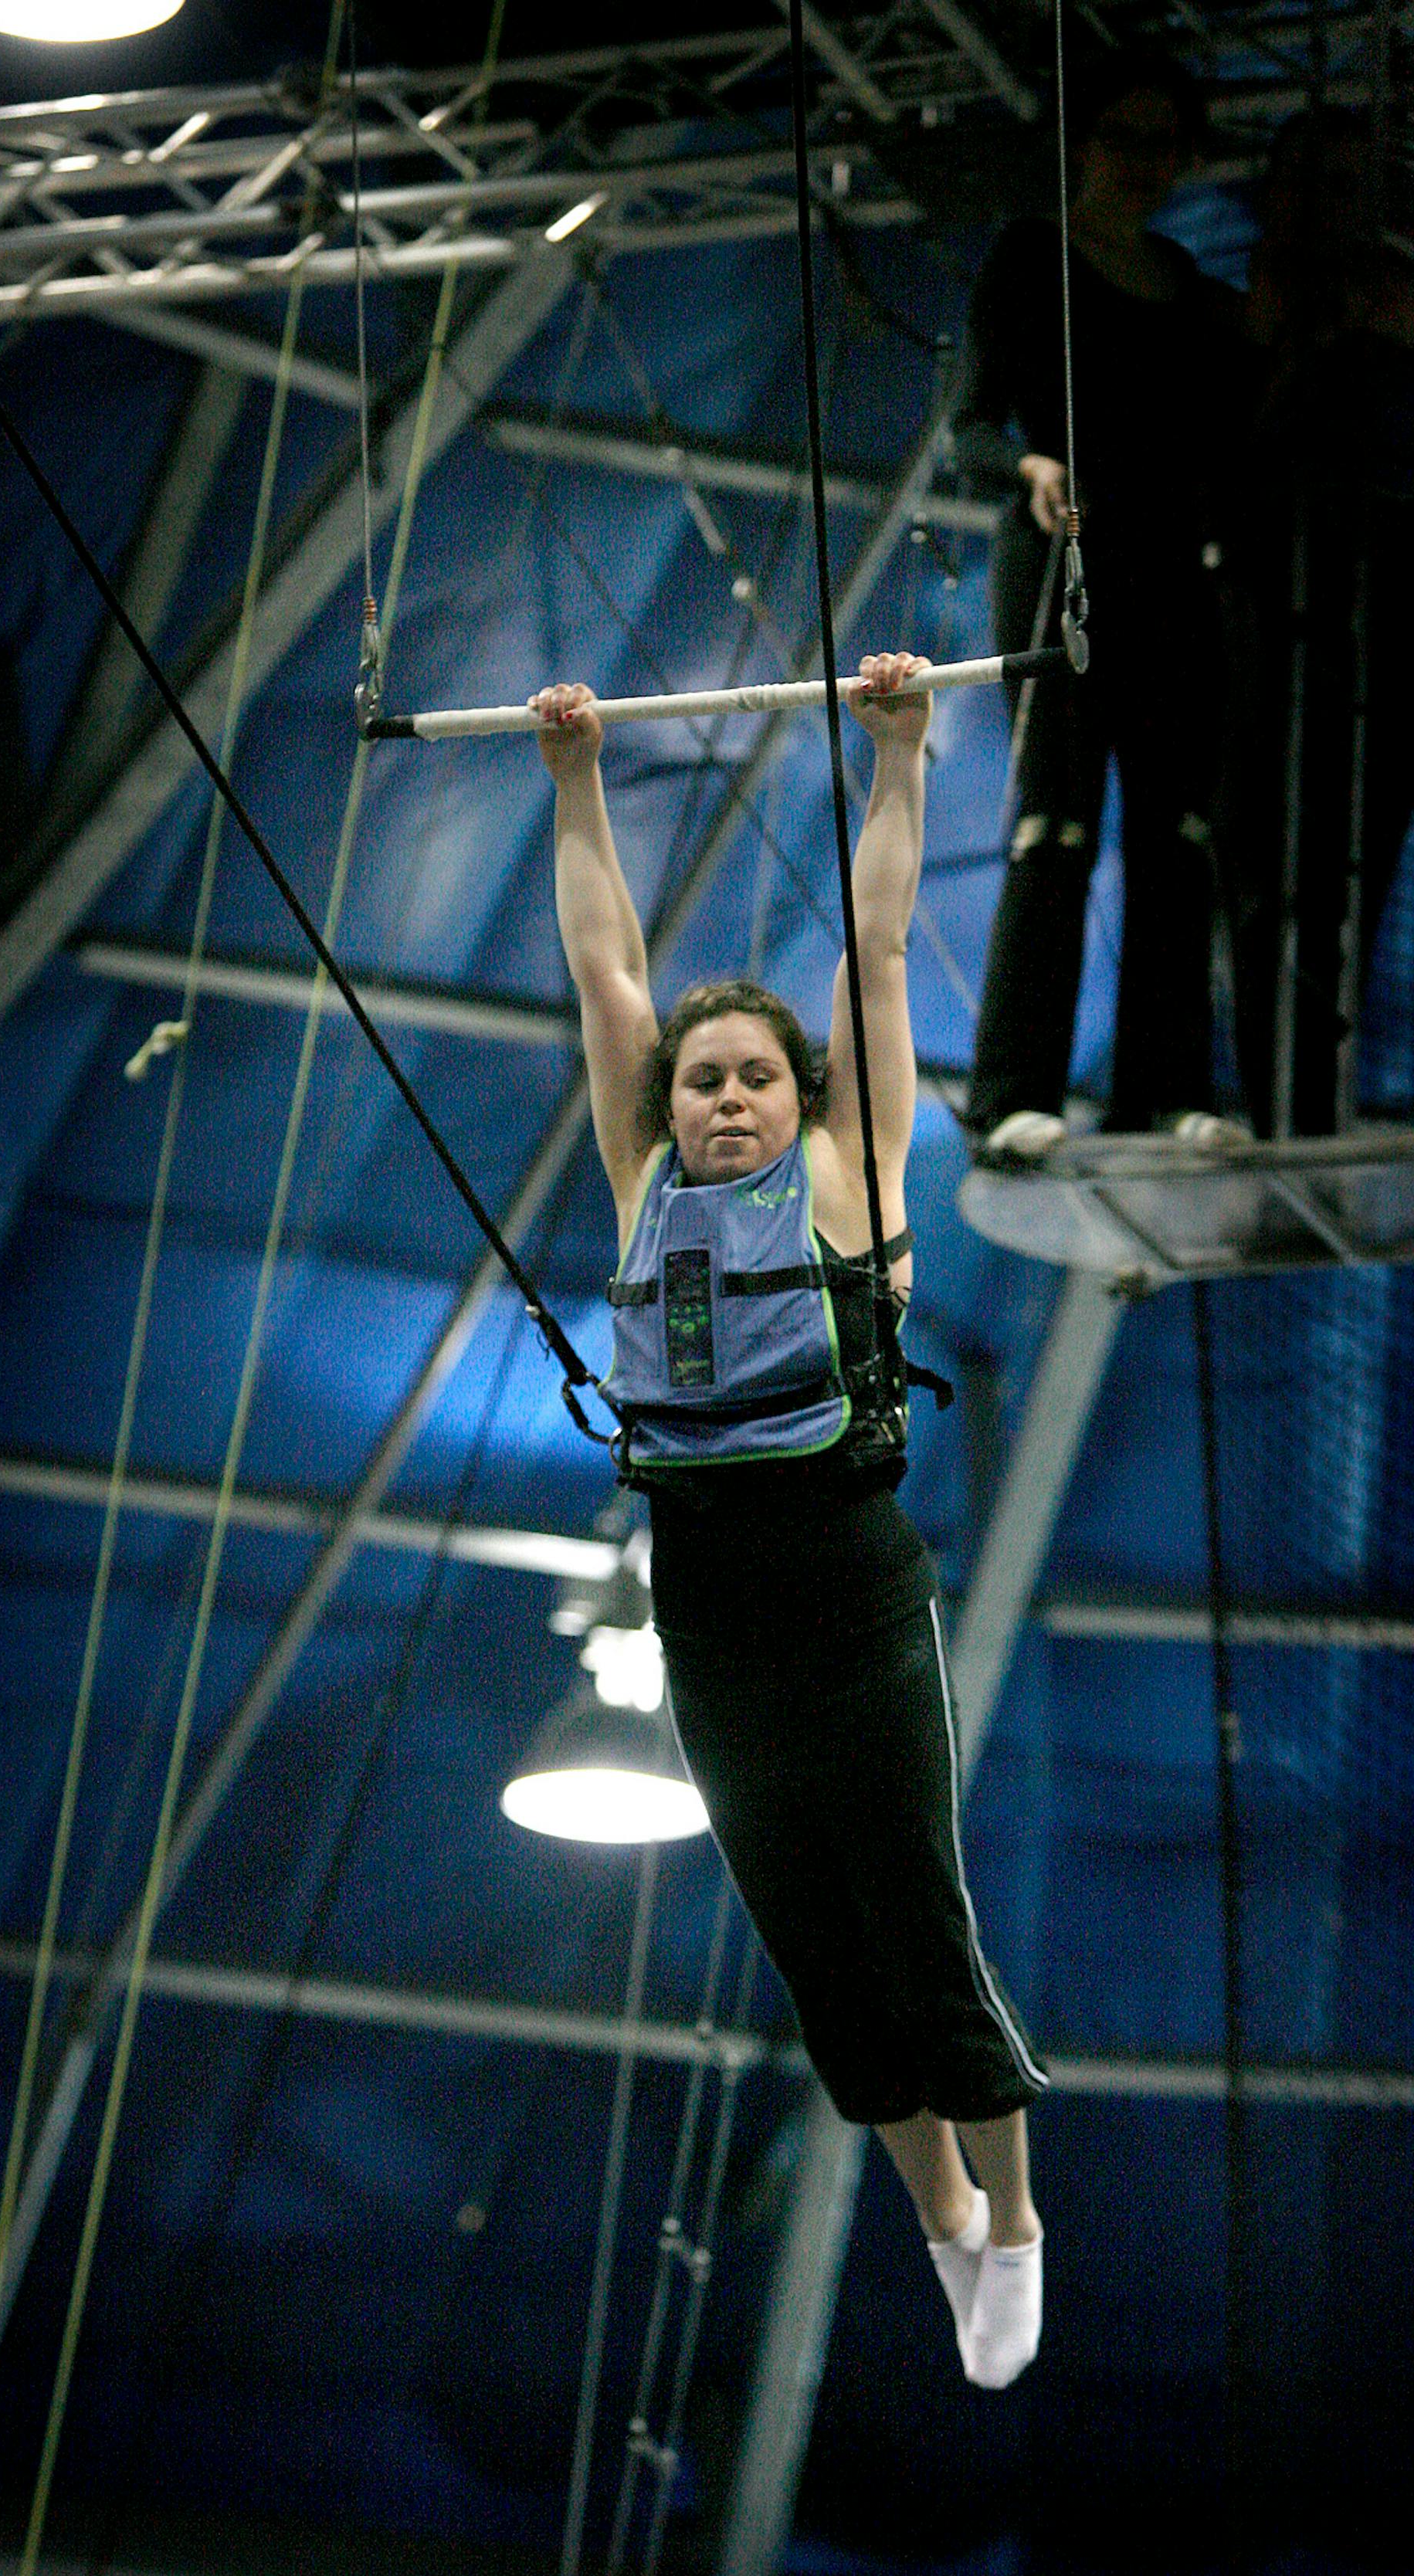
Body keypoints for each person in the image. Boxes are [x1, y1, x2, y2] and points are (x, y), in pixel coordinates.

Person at [533, 653, 1047, 2390]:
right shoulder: (643, 1187)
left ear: (802, 1094)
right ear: (667, 1106)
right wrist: (574, 777)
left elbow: (876, 947)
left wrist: (899, 754)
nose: (728, 1100)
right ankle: (940, 2213)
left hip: (851, 1599)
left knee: (916, 1920)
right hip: (708, 1616)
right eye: (703, 1082)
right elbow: (606, 967)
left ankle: (1017, 2219)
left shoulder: (847, 1179)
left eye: (758, 1075)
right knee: (818, 1953)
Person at [955, 55, 1252, 1160]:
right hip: (1061, 559)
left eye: (1162, 143)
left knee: (1178, 833)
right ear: (1083, 145)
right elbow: (971, 426)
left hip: (1173, 575)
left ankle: (1163, 1091)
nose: (1142, 162)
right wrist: (1030, 467)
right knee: (1058, 824)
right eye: (1123, 137)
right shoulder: (1031, 256)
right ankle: (1009, 1096)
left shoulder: (1186, 284)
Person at [1222, 109, 1414, 1134]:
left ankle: (1318, 1103)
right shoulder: (1260, 307)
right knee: (1267, 871)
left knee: (1356, 867)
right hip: (1275, 618)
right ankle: (1279, 1105)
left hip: (1380, 619)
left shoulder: (1391, 306)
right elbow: (1234, 454)